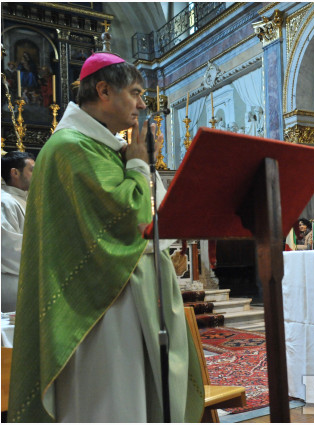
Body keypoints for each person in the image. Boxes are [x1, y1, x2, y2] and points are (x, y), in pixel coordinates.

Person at [8, 52, 203, 422]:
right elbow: (131, 219)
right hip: (100, 310)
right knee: (111, 404)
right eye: (134, 92)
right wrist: (139, 163)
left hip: (122, 301)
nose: (142, 104)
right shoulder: (71, 148)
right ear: (103, 90)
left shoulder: (98, 146)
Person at [1, 151, 35, 312]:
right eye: (32, 170)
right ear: (15, 172)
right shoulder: (5, 202)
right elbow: (8, 248)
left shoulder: (27, 200)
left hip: (28, 278)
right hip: (14, 283)